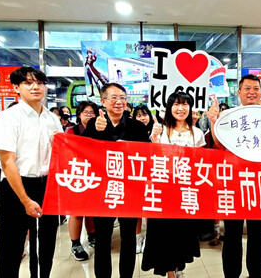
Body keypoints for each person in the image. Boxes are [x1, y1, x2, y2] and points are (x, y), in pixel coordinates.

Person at [207, 74, 261, 278]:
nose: (252, 92)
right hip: (232, 184)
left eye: (256, 88)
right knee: (231, 235)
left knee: (257, 236)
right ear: (239, 92)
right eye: (247, 88)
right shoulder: (229, 116)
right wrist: (214, 120)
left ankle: (255, 275)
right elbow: (218, 144)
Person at [0, 66, 61, 278]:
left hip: (47, 186)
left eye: (40, 83)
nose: (35, 87)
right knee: (11, 248)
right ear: (16, 88)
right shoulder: (8, 117)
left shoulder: (52, 119)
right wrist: (25, 200)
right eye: (28, 83)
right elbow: (7, 163)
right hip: (16, 187)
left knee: (45, 245)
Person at [82, 82, 149, 278]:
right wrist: (93, 130)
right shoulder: (95, 125)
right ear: (103, 102)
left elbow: (145, 156)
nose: (119, 102)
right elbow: (81, 151)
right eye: (113, 98)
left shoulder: (137, 127)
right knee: (103, 238)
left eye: (122, 98)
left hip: (130, 190)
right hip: (103, 191)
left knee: (128, 238)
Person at [142, 91, 205, 278]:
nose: (181, 108)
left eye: (185, 104)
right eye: (176, 104)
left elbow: (202, 162)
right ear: (169, 108)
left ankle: (177, 268)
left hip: (186, 192)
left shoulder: (198, 133)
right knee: (164, 234)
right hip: (163, 192)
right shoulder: (159, 131)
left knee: (182, 234)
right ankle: (169, 271)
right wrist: (153, 141)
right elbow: (151, 161)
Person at [65, 101, 99, 261]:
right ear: (79, 114)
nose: (90, 116)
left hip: (96, 176)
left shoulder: (100, 130)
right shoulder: (71, 131)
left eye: (92, 113)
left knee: (92, 209)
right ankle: (75, 244)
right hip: (77, 175)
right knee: (77, 212)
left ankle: (92, 236)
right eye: (86, 112)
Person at [133, 104, 155, 253]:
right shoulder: (130, 130)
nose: (142, 118)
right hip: (135, 175)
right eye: (138, 115)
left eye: (144, 114)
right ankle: (137, 237)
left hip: (154, 175)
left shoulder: (158, 130)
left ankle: (149, 238)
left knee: (150, 209)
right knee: (136, 209)